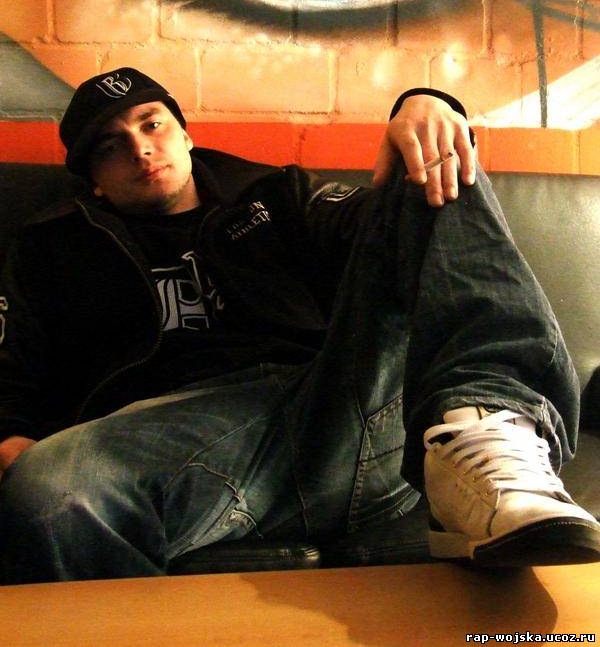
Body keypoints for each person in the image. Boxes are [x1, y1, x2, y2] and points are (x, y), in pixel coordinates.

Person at [0, 67, 597, 584]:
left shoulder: (275, 196)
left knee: (433, 165)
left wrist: (427, 105)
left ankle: (491, 432)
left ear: (184, 133)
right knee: (49, 489)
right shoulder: (53, 248)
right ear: (92, 178)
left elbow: (387, 231)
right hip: (171, 447)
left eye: (151, 124)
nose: (140, 149)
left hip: (341, 411)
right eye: (111, 144)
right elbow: (14, 372)